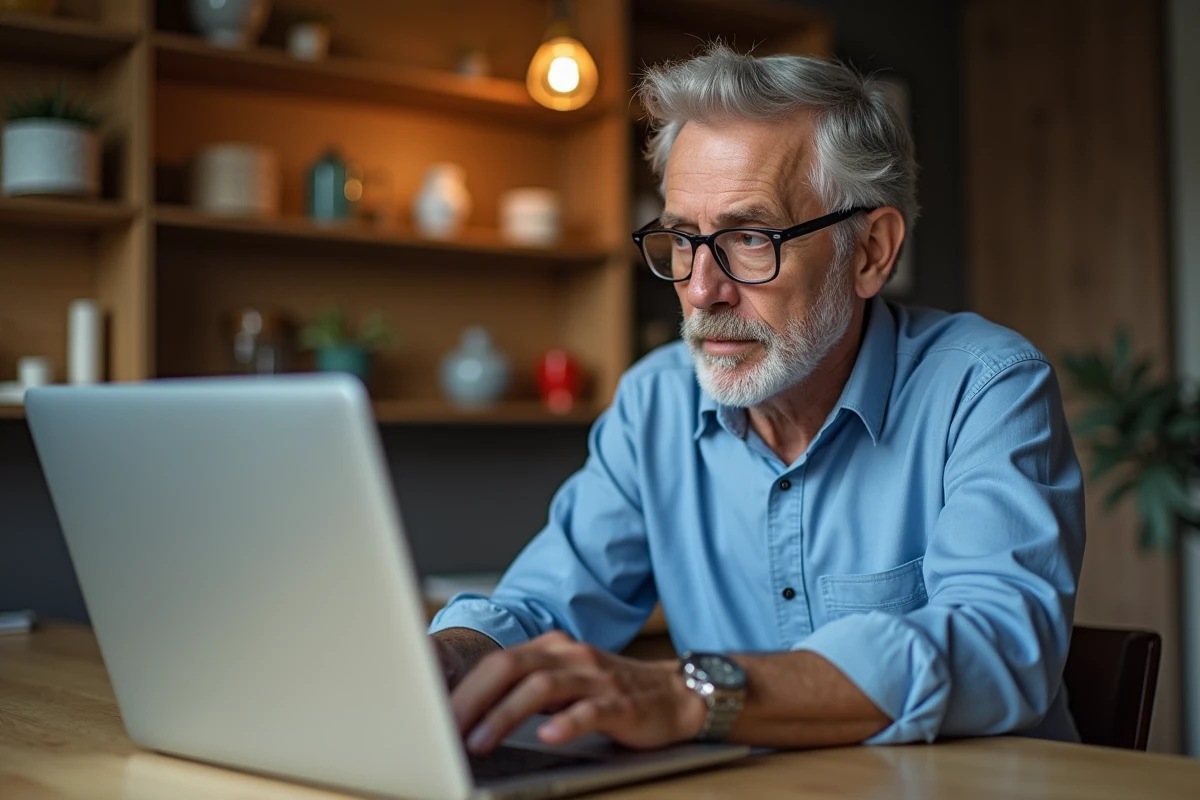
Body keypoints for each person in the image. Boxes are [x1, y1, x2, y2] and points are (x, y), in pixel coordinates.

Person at [429, 44, 1086, 755]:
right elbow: (539, 606)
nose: (703, 290)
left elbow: (1000, 648)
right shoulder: (656, 402)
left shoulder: (985, 387)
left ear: (870, 252)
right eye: (683, 239)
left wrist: (693, 694)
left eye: (748, 238)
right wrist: (454, 657)